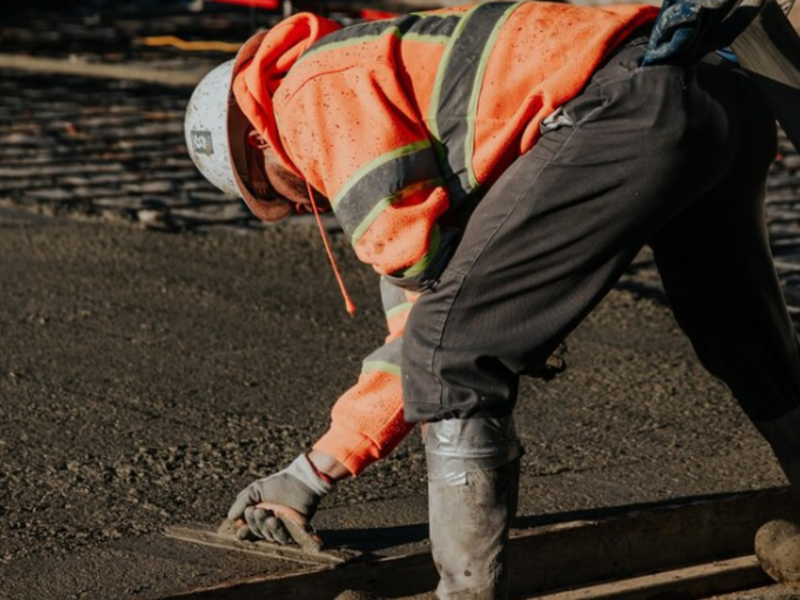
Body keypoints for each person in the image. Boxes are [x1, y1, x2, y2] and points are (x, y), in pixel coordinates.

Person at [184, 1, 800, 597]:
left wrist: (308, 474)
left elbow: (435, 331)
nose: (300, 206)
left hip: (630, 105)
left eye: (275, 194)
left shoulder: (309, 97)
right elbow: (422, 312)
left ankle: (465, 595)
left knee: (452, 354)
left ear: (259, 142)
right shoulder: (388, 86)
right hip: (719, 97)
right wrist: (310, 474)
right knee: (742, 337)